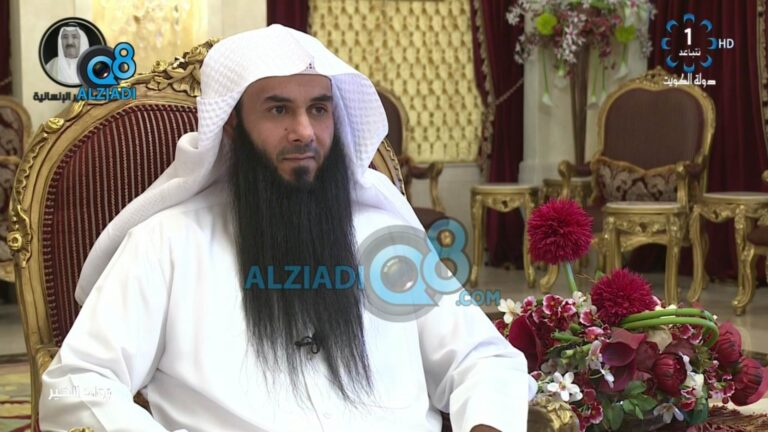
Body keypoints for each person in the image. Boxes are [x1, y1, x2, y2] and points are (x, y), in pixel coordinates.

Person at [39, 25, 535, 431]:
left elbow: (482, 359)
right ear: (232, 125)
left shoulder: (387, 238)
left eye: (318, 109)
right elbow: (77, 383)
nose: (304, 131)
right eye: (278, 109)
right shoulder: (166, 243)